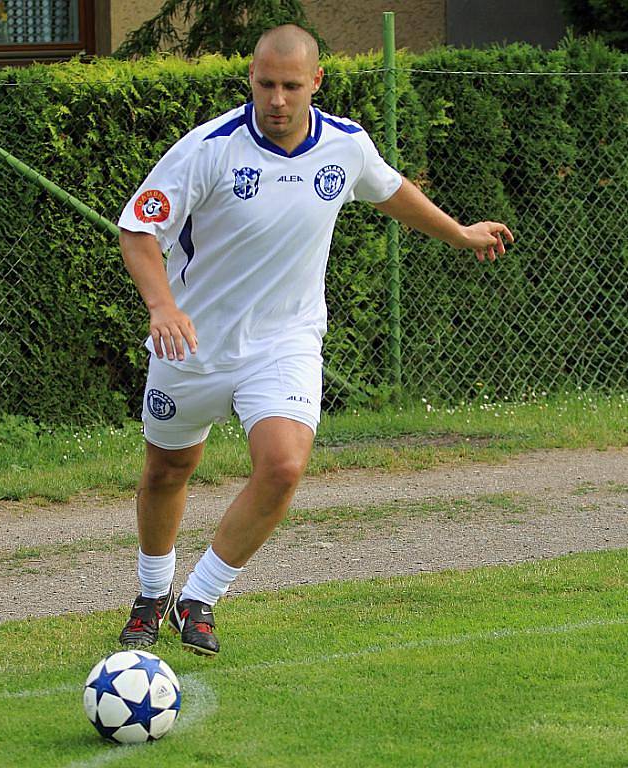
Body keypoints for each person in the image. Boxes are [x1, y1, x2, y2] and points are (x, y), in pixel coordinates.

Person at [117, 24, 513, 656]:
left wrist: (460, 234)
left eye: (290, 86)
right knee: (170, 469)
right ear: (251, 79)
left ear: (316, 83)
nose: (276, 99)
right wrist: (162, 307)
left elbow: (392, 192)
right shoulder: (208, 149)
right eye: (265, 84)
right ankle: (151, 593)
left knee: (282, 466)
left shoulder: (345, 146)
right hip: (191, 344)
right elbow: (138, 231)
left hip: (285, 341)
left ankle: (201, 597)